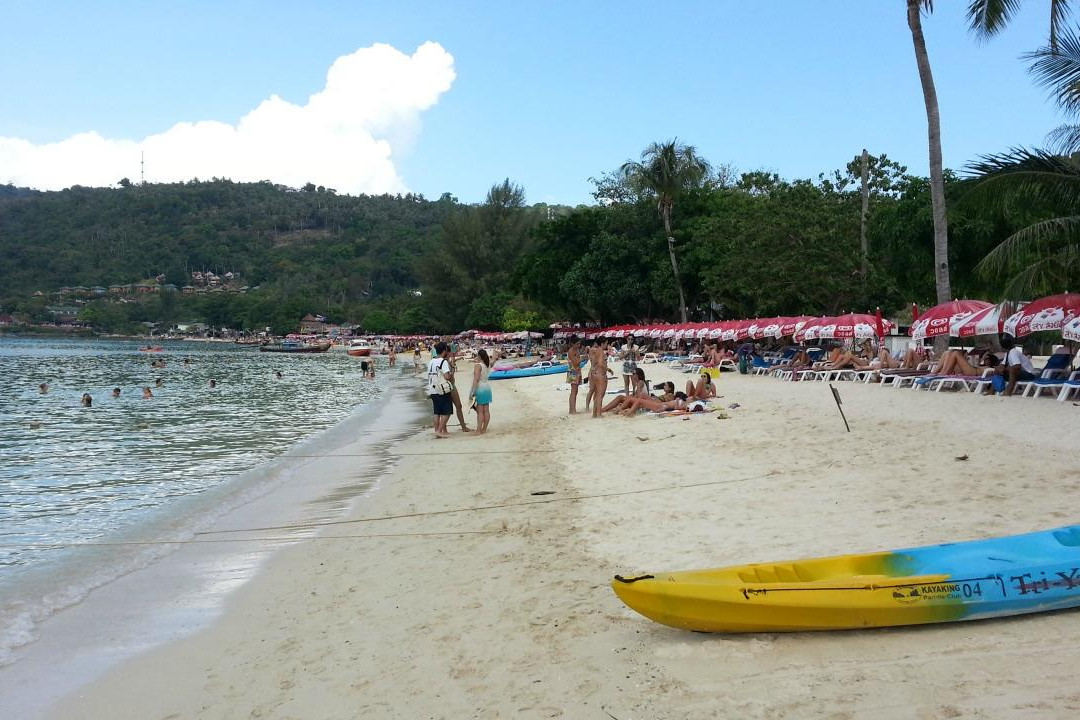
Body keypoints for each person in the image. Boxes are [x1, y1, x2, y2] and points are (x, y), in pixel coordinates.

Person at [426, 341, 454, 438]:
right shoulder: (443, 361)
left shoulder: (431, 361)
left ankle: (437, 431)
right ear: (444, 351)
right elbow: (447, 376)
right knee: (447, 411)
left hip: (432, 388)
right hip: (441, 389)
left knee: (437, 412)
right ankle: (439, 431)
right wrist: (452, 372)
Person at [469, 349, 493, 434]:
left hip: (480, 388)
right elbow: (493, 359)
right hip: (487, 387)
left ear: (479, 356)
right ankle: (484, 429)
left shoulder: (478, 366)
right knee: (486, 410)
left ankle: (478, 430)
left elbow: (476, 379)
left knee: (480, 411)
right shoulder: (487, 365)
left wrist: (473, 392)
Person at [447, 351, 472, 432]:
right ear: (447, 352)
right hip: (450, 386)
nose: (452, 354)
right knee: (457, 406)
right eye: (450, 352)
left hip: (449, 386)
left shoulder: (447, 361)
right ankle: (463, 427)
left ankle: (462, 426)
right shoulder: (446, 363)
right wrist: (453, 368)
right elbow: (450, 377)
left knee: (456, 407)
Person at [567, 339, 583, 414]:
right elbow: (575, 362)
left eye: (579, 344)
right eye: (577, 344)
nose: (578, 345)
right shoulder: (571, 351)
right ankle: (572, 410)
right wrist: (582, 359)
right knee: (573, 391)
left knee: (575, 391)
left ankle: (572, 409)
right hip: (573, 371)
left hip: (576, 371)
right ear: (572, 344)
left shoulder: (576, 350)